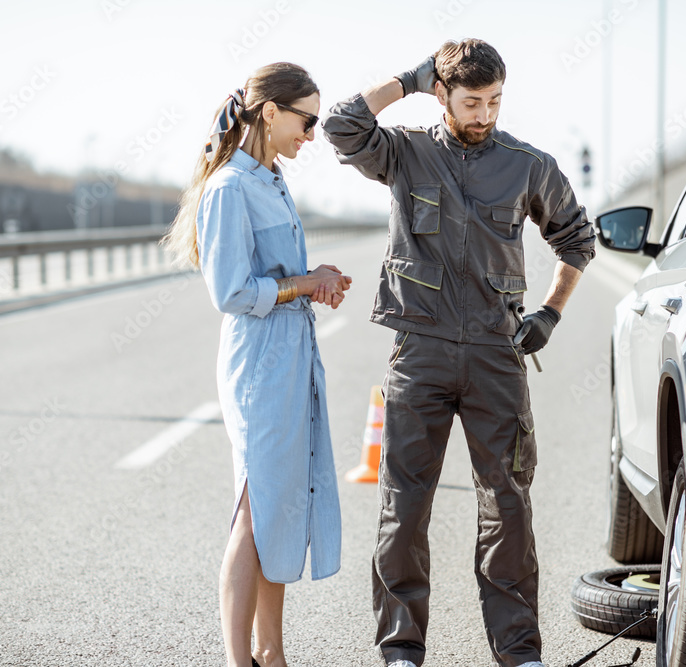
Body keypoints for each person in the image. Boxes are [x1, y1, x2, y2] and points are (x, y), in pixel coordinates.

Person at [322, 40, 596, 667]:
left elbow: (577, 240)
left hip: (497, 357)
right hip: (420, 352)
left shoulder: (528, 165)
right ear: (441, 94)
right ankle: (401, 650)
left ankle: (519, 652)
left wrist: (549, 314)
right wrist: (407, 79)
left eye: (495, 100)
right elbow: (342, 124)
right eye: (471, 101)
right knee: (405, 503)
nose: (484, 114)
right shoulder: (405, 152)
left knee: (507, 504)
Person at [161, 62, 351, 667]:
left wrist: (314, 281)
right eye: (307, 120)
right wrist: (304, 283)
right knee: (255, 506)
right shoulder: (228, 189)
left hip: (292, 356)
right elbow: (232, 292)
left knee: (281, 505)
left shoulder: (272, 178)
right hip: (260, 363)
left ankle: (273, 653)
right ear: (270, 112)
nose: (312, 135)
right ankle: (239, 660)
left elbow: (275, 274)